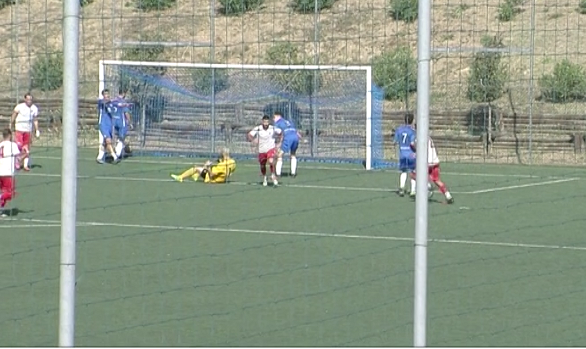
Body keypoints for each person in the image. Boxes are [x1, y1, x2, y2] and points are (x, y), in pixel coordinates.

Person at [411, 136, 454, 204]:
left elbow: (414, 146)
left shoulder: (419, 137)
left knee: (414, 176)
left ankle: (428, 186)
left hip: (426, 162)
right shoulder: (429, 137)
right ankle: (448, 196)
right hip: (435, 161)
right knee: (437, 180)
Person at [170, 147, 236, 184]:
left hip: (212, 180)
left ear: (223, 154)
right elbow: (230, 172)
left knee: (196, 168)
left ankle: (181, 177)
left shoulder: (222, 165)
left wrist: (208, 167)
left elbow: (212, 175)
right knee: (202, 166)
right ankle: (196, 175)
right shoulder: (232, 162)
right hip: (221, 179)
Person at [10, 93, 40, 171]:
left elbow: (35, 120)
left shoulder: (34, 108)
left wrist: (37, 130)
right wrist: (11, 124)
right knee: (19, 147)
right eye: (28, 99)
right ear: (25, 99)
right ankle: (17, 162)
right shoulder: (20, 107)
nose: (29, 101)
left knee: (27, 148)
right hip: (19, 129)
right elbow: (14, 115)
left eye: (31, 99)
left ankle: (25, 165)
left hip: (28, 130)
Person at [247, 115, 278, 186]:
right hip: (261, 150)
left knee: (271, 161)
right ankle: (264, 177)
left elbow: (281, 133)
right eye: (264, 122)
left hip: (270, 148)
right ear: (262, 122)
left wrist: (279, 143)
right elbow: (249, 135)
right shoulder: (258, 128)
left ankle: (273, 175)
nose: (266, 123)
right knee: (262, 165)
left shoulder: (272, 128)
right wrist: (253, 140)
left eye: (267, 122)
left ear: (269, 122)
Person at [273, 111, 302, 178]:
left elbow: (280, 133)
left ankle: (278, 174)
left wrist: (279, 142)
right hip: (295, 137)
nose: (273, 119)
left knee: (279, 155)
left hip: (288, 138)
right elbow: (297, 133)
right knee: (293, 154)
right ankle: (293, 173)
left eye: (274, 117)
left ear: (278, 116)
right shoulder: (289, 122)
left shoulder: (278, 123)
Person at [394, 112, 416, 197]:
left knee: (403, 171)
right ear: (412, 120)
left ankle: (401, 188)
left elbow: (395, 142)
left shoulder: (399, 129)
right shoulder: (412, 131)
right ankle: (413, 191)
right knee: (413, 172)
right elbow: (412, 143)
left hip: (402, 154)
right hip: (411, 154)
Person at [0, 129, 21, 215]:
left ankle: (0, 210)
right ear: (10, 135)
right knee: (10, 193)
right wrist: (26, 154)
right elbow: (19, 158)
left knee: (4, 192)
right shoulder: (13, 145)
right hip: (7, 172)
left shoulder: (0, 145)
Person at [96, 89, 120, 164]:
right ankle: (115, 157)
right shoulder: (101, 102)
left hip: (109, 125)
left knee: (105, 142)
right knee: (108, 140)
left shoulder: (111, 104)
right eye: (106, 94)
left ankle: (99, 157)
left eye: (108, 94)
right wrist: (110, 101)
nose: (108, 95)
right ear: (103, 95)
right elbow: (103, 102)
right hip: (103, 124)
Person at [110, 89, 133, 160]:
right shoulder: (123, 102)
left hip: (114, 121)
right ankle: (117, 154)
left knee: (118, 137)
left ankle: (119, 150)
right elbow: (126, 113)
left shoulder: (114, 101)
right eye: (125, 94)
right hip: (121, 122)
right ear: (123, 93)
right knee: (121, 138)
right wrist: (130, 123)